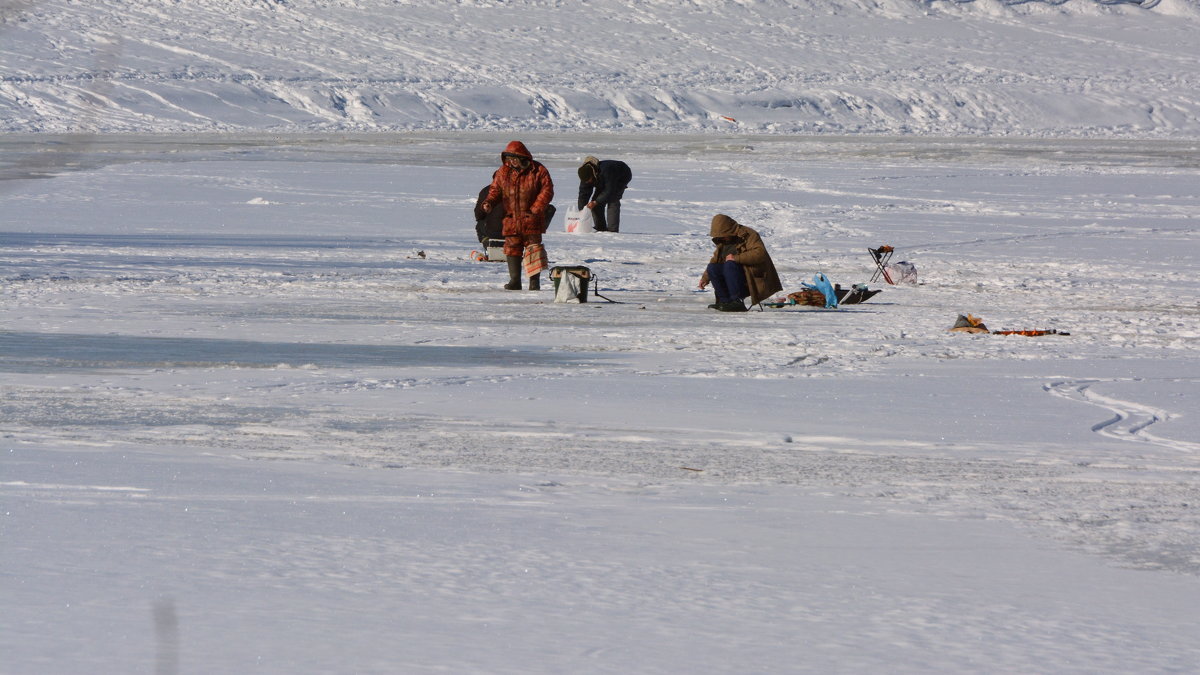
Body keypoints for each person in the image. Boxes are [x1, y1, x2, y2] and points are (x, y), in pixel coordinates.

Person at [482, 141, 555, 290]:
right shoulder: (503, 172)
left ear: (523, 157)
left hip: (531, 218)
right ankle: (515, 280)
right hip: (511, 218)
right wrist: (489, 202)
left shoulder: (538, 170)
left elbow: (547, 190)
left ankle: (534, 282)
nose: (512, 162)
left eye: (514, 158)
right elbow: (495, 190)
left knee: (533, 249)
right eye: (509, 159)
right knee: (512, 248)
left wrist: (536, 208)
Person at [698, 214, 782, 312]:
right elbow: (715, 260)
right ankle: (725, 302)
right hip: (731, 277)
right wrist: (705, 278)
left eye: (723, 235)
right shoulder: (722, 241)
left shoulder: (749, 234)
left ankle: (736, 301)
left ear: (729, 230)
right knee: (712, 267)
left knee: (730, 265)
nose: (722, 238)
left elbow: (760, 253)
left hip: (751, 278)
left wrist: (737, 258)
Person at [577, 156, 631, 232]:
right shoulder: (585, 177)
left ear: (592, 175)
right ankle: (600, 228)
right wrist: (582, 210)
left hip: (621, 175)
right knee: (596, 204)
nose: (587, 183)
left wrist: (596, 202)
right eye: (586, 182)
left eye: (589, 181)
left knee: (613, 200)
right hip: (603, 180)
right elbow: (583, 194)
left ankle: (612, 230)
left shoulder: (605, 171)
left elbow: (609, 190)